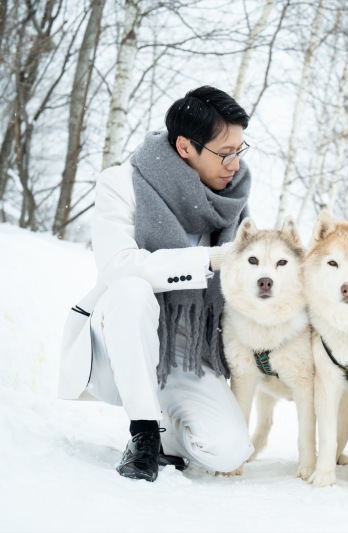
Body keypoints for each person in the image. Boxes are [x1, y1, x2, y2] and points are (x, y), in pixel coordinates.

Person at [58, 86, 255, 482]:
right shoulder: (123, 183)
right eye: (224, 152)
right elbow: (119, 267)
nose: (235, 163)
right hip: (119, 340)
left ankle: (165, 429)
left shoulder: (234, 196)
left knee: (228, 452)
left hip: (186, 351)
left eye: (240, 149)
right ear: (185, 146)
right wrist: (209, 259)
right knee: (131, 288)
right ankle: (144, 433)